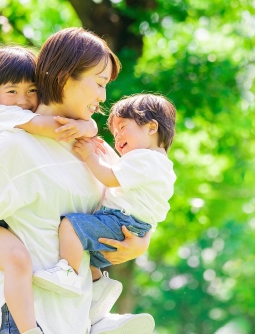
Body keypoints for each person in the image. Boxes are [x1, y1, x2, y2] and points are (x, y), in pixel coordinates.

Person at [0, 28, 155, 334]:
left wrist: (141, 242)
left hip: (75, 322)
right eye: (99, 83)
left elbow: (136, 204)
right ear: (64, 77)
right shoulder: (15, 145)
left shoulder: (93, 150)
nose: (103, 96)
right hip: (27, 323)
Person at [0, 45, 104, 334]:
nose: (23, 100)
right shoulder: (2, 121)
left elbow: (132, 193)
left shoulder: (79, 147)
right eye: (12, 91)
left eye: (32, 90)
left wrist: (87, 128)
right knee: (17, 258)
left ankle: (99, 315)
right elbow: (52, 125)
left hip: (69, 319)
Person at [32, 94, 176, 310]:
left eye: (123, 128)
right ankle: (99, 286)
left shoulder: (144, 159)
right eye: (115, 134)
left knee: (70, 226)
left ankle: (67, 274)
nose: (117, 139)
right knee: (86, 255)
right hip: (133, 227)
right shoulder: (163, 166)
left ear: (151, 127)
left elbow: (109, 177)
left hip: (118, 220)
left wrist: (90, 156)